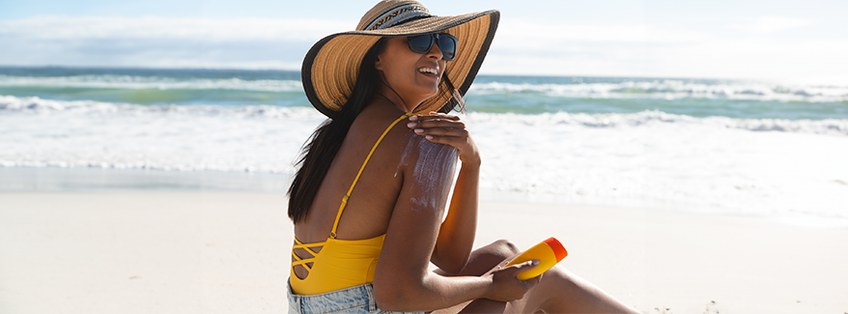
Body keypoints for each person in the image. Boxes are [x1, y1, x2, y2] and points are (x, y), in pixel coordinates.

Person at [288, 1, 641, 313]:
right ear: (376, 58)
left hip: (311, 307)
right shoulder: (422, 140)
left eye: (444, 44)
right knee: (540, 278)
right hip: (372, 306)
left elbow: (450, 258)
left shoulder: (343, 131)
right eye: (420, 41)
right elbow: (398, 294)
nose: (437, 54)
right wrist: (492, 287)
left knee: (504, 253)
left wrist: (471, 163)